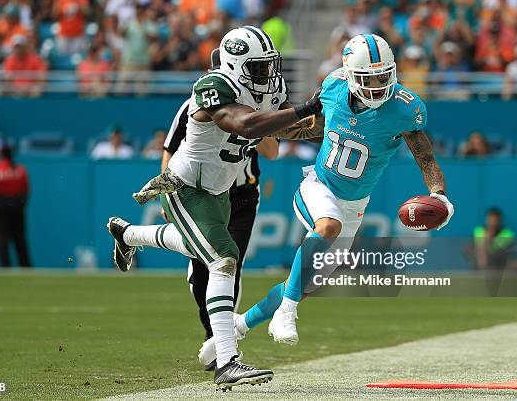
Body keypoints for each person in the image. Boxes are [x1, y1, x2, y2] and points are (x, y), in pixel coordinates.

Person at [105, 26, 324, 390]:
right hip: (185, 187)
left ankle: (127, 234)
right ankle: (227, 362)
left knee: (198, 247)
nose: (267, 75)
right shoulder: (213, 86)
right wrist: (304, 108)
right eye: (257, 67)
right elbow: (243, 123)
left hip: (218, 191)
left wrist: (340, 124)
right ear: (236, 65)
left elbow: (290, 130)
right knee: (223, 258)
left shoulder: (266, 90)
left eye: (269, 65)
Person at [219, 34, 454, 350]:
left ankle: (240, 324)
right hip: (318, 187)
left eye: (384, 74)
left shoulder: (404, 109)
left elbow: (425, 156)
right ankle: (286, 312)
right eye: (369, 77)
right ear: (351, 74)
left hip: (354, 204)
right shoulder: (333, 88)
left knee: (302, 283)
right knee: (328, 226)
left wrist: (438, 194)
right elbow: (315, 128)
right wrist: (263, 129)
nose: (378, 83)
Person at [161, 48, 279, 365]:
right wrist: (167, 188)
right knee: (202, 274)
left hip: (241, 194)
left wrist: (258, 121)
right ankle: (130, 235)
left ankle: (220, 345)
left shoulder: (257, 105)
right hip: (203, 193)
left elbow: (272, 152)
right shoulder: (196, 105)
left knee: (229, 263)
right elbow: (171, 149)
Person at [0, 145, 32, 267]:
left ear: (1, 155)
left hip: (0, 207)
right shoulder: (20, 170)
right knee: (19, 239)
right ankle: (25, 266)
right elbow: (26, 191)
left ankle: (5, 267)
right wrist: (22, 205)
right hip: (17, 206)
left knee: (2, 239)